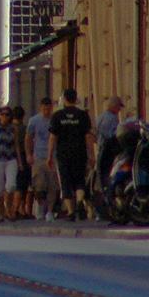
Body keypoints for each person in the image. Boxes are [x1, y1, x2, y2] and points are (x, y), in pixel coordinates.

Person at [49, 88, 94, 220]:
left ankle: (70, 212)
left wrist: (49, 155)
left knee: (65, 181)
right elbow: (88, 136)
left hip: (63, 153)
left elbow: (52, 137)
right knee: (80, 179)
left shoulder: (57, 115)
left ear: (64, 98)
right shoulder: (83, 115)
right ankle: (80, 202)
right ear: (75, 99)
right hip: (80, 152)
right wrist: (92, 153)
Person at [26, 97, 55, 221]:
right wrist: (28, 154)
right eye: (44, 109)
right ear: (40, 107)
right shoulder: (34, 121)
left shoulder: (54, 120)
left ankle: (50, 210)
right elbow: (28, 137)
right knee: (39, 184)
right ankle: (41, 205)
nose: (46, 111)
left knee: (53, 185)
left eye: (48, 109)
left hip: (53, 156)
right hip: (38, 156)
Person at [0, 107, 19, 221]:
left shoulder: (13, 128)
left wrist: (20, 161)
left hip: (10, 159)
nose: (4, 117)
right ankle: (1, 212)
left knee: (11, 185)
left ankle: (9, 209)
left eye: (7, 115)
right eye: (2, 114)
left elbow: (16, 145)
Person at [10, 105, 31, 219]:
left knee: (14, 185)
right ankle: (18, 209)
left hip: (9, 158)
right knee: (22, 185)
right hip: (23, 158)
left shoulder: (9, 128)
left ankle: (15, 209)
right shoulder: (24, 129)